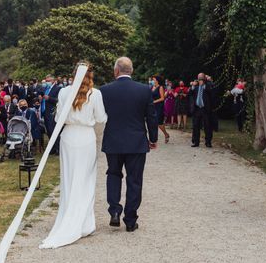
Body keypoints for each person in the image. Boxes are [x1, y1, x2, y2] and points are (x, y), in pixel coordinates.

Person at [39, 62, 107, 249]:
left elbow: (57, 117)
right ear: (90, 75)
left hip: (68, 136)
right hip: (85, 137)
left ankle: (70, 218)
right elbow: (101, 118)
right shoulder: (96, 94)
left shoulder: (63, 92)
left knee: (69, 179)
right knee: (85, 179)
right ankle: (85, 223)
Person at [99, 57, 158, 232]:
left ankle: (115, 211)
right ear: (130, 71)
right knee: (134, 180)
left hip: (113, 140)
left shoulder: (105, 90)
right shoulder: (144, 90)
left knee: (113, 174)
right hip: (136, 141)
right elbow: (151, 116)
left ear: (116, 70)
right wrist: (153, 138)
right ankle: (131, 220)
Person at [189, 74, 214, 148]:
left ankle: (208, 142)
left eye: (201, 79)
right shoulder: (196, 87)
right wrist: (192, 86)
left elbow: (211, 92)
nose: (199, 80)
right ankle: (196, 142)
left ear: (204, 79)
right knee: (196, 126)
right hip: (197, 109)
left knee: (207, 126)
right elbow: (190, 94)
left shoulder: (208, 86)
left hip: (205, 109)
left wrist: (205, 84)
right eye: (199, 79)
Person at [42, 75, 61, 155]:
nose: (47, 82)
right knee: (48, 131)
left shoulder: (58, 88)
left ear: (53, 80)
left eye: (48, 80)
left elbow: (58, 100)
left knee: (53, 130)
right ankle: (52, 148)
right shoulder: (46, 88)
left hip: (52, 113)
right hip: (45, 112)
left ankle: (58, 148)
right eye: (46, 81)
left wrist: (49, 98)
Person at [151, 75, 170, 144]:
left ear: (157, 80)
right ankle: (154, 138)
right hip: (153, 107)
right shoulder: (153, 87)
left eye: (154, 79)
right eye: (152, 80)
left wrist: (153, 102)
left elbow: (162, 98)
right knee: (153, 123)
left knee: (159, 123)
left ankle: (166, 134)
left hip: (159, 106)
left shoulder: (160, 87)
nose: (153, 81)